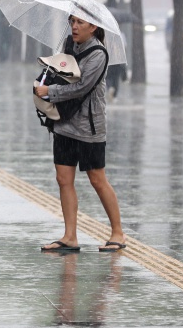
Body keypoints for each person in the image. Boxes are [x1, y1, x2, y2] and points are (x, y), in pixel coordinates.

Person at [34, 14, 126, 252]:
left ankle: (118, 233)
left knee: (97, 180)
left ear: (93, 27)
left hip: (89, 128)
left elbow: (80, 86)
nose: (74, 26)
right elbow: (62, 72)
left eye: (80, 23)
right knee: (64, 179)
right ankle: (70, 236)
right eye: (72, 21)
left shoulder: (98, 54)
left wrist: (49, 91)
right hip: (64, 122)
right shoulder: (68, 45)